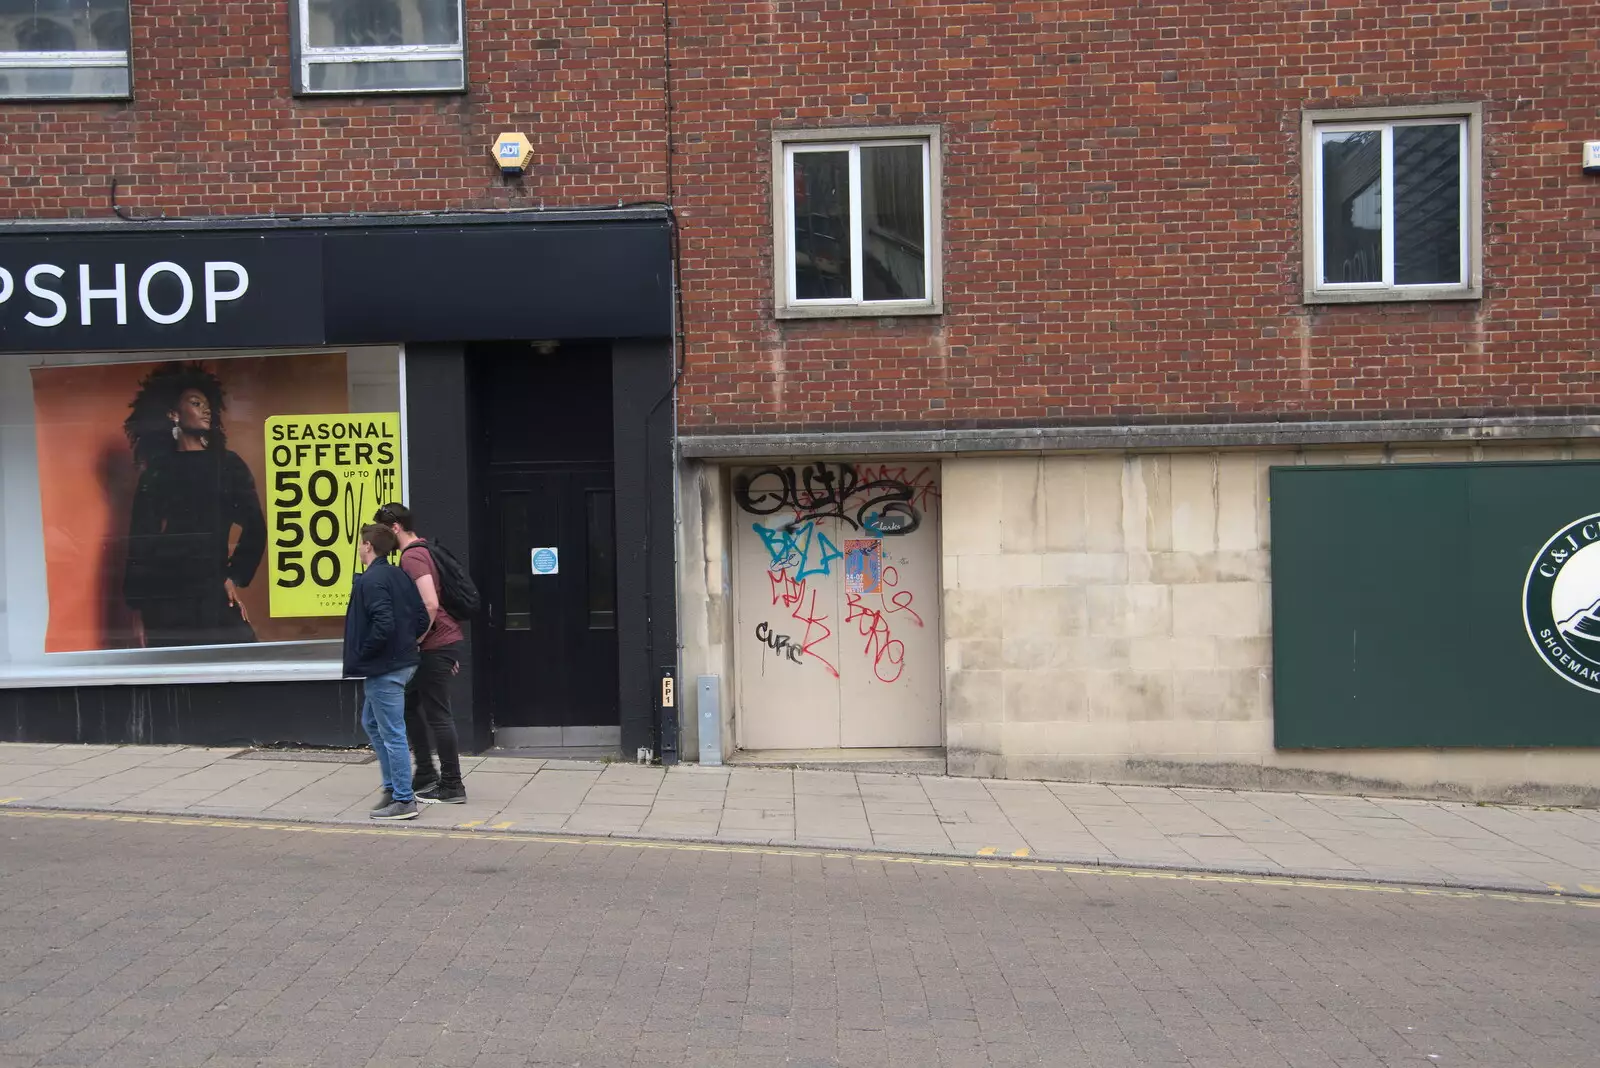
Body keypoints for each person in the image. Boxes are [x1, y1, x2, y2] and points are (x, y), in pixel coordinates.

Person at [122, 363, 266, 648]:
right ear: (173, 414)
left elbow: (256, 528)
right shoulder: (158, 471)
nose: (206, 409)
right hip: (165, 594)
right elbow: (141, 542)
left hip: (211, 585)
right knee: (174, 673)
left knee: (241, 661)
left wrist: (233, 576)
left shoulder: (226, 464)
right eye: (195, 403)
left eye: (207, 404)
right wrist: (139, 610)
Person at [376, 503, 468, 804]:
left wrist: (417, 640)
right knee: (409, 704)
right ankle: (427, 773)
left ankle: (452, 784)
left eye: (382, 532)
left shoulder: (413, 556)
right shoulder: (423, 549)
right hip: (440, 643)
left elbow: (429, 603)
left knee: (437, 714)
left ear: (395, 528)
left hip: (434, 643)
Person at [344, 523, 431, 821]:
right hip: (403, 662)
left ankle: (404, 800)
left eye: (360, 544)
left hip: (386, 667)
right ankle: (393, 788)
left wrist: (364, 652)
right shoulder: (398, 575)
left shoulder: (372, 580)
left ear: (368, 546)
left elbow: (383, 623)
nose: (358, 549)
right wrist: (408, 643)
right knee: (371, 721)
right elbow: (421, 616)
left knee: (393, 732)